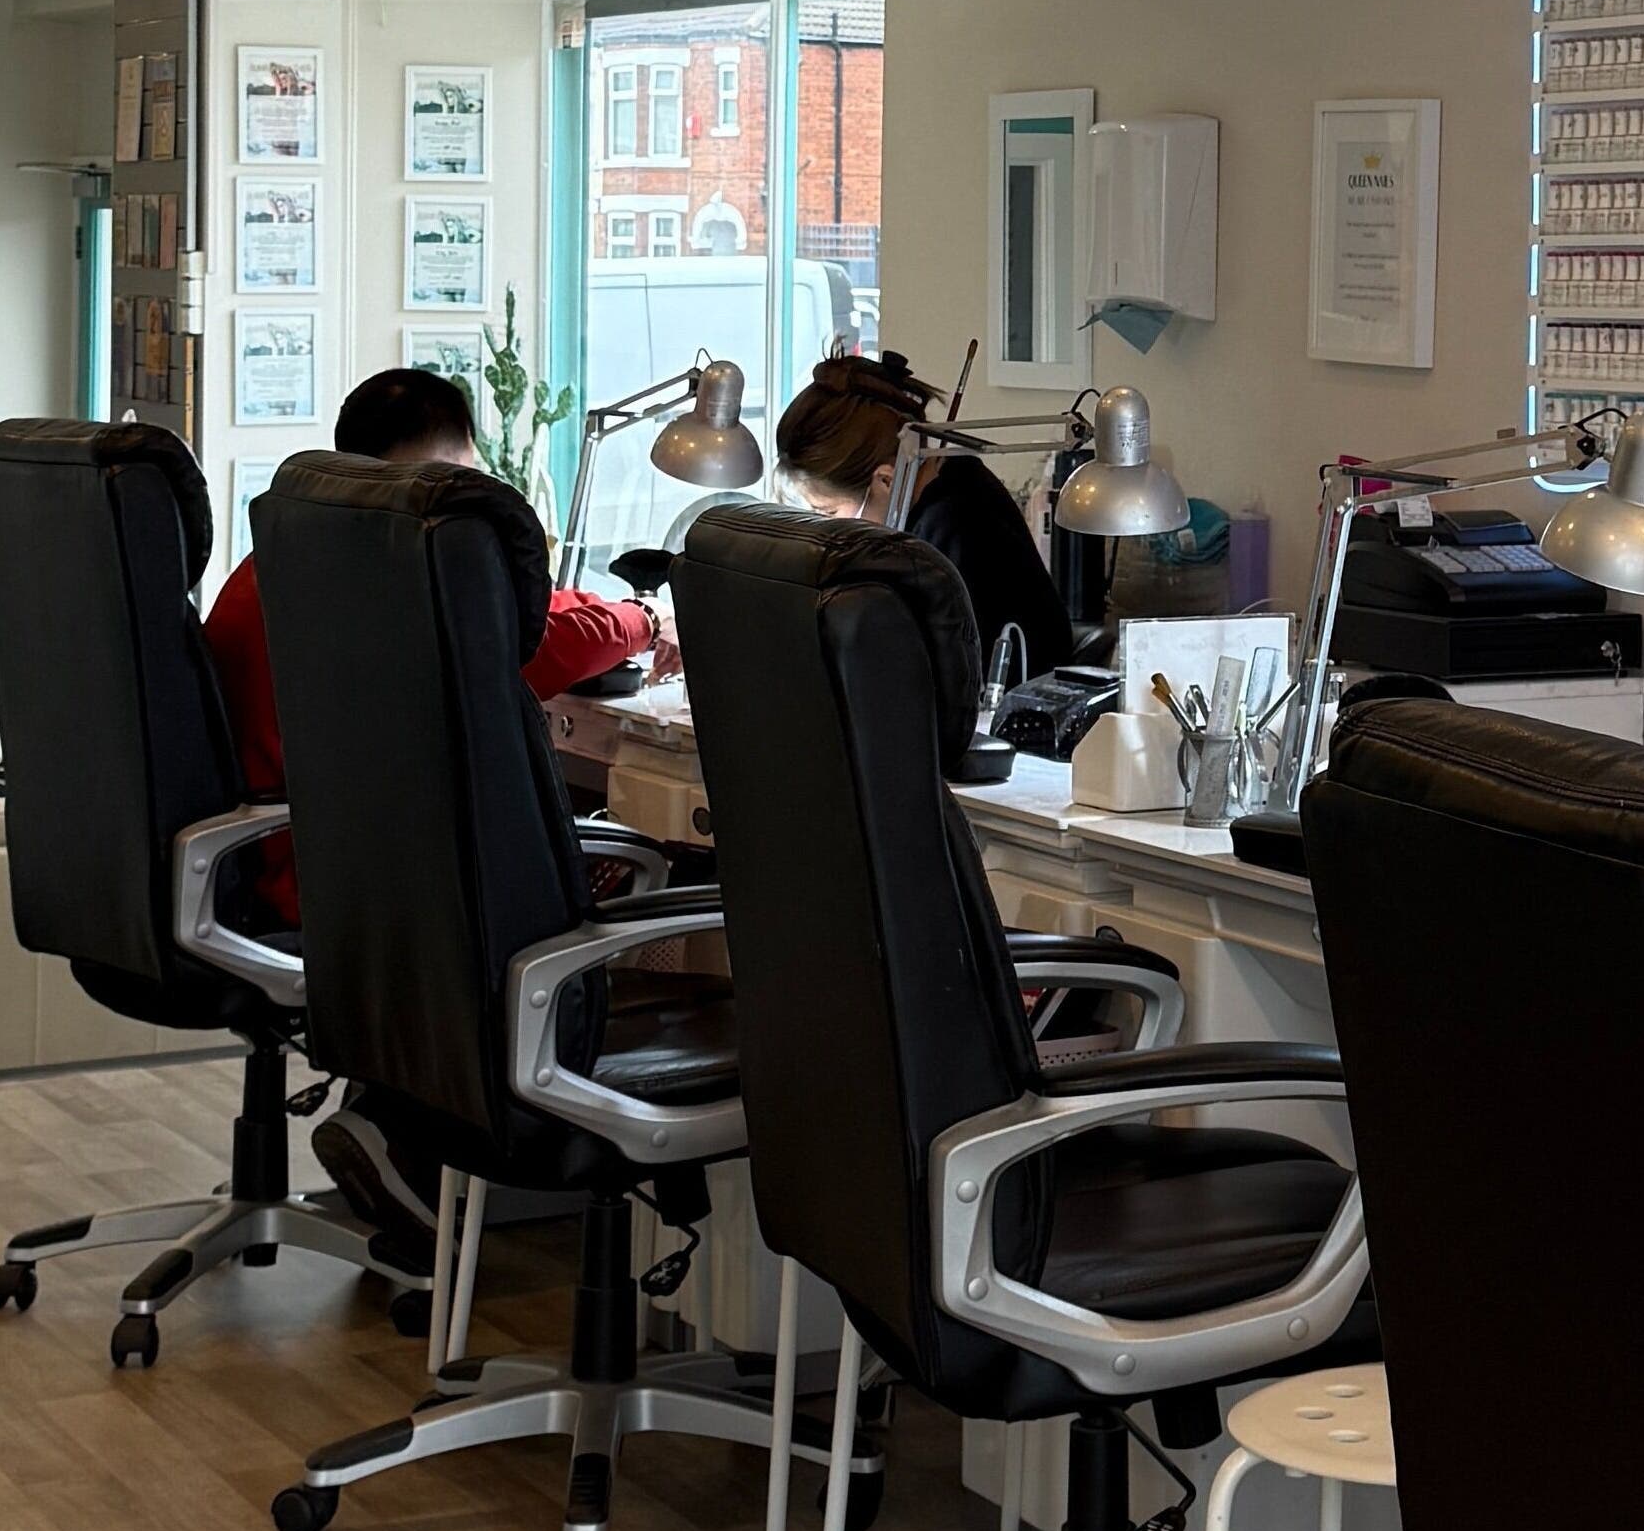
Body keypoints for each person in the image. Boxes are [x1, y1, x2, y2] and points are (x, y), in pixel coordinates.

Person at [201, 366, 677, 1249]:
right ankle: (420, 1131)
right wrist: (644, 621)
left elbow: (515, 623)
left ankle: (396, 1117)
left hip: (298, 860)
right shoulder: (396, 582)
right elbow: (537, 640)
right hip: (336, 881)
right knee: (624, 877)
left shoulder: (290, 556)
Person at [775, 351, 1075, 674]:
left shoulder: (952, 528)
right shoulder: (949, 477)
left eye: (828, 511)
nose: (823, 527)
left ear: (886, 480)